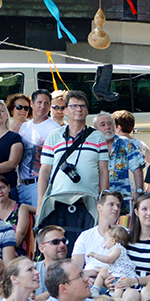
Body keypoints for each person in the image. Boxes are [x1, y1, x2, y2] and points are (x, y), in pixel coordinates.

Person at [37, 91, 109, 253]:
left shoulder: (97, 137)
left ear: (87, 110)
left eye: (82, 106)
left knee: (86, 249)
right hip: (58, 201)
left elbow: (104, 171)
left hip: (88, 201)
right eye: (74, 106)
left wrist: (103, 200)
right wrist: (41, 202)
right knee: (58, 246)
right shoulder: (54, 136)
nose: (78, 109)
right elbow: (44, 171)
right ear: (66, 110)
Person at [17, 90, 59, 208]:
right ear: (32, 103)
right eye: (39, 102)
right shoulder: (25, 126)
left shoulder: (54, 128)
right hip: (22, 183)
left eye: (46, 103)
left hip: (39, 184)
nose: (42, 106)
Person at [95, 112, 143, 214]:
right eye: (103, 125)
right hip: (99, 201)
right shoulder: (93, 146)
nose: (107, 127)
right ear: (96, 129)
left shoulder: (125, 143)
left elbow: (137, 167)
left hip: (123, 200)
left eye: (110, 123)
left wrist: (139, 191)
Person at [71, 190, 123, 274]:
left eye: (118, 206)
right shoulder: (85, 236)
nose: (116, 208)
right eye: (111, 204)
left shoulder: (126, 234)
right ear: (99, 207)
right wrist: (87, 276)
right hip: (89, 281)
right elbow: (75, 269)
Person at [0, 174, 30, 254]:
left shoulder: (21, 208)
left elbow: (20, 233)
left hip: (15, 251)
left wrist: (6, 252)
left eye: (2, 187)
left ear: (8, 188)